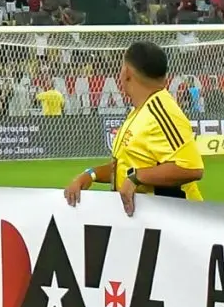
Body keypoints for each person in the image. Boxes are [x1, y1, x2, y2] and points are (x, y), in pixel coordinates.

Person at [63, 41, 203, 214]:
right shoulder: (139, 112)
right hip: (147, 223)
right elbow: (127, 167)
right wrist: (91, 174)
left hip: (174, 221)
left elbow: (190, 168)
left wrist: (137, 177)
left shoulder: (162, 112)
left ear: (126, 72)